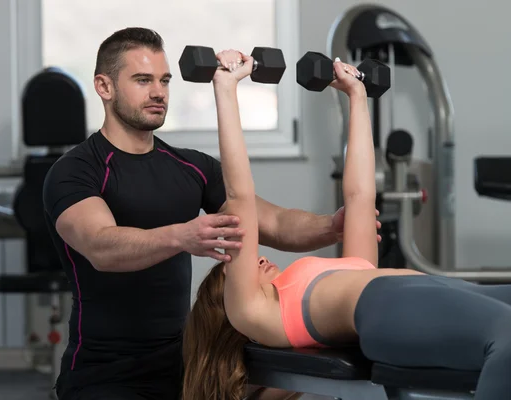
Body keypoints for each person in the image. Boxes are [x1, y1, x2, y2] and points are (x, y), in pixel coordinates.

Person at [42, 27, 379, 400]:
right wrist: (183, 236)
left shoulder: (191, 167)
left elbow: (276, 224)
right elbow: (100, 246)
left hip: (182, 362)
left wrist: (331, 226)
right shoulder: (76, 171)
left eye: (164, 81)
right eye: (142, 80)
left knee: (283, 380)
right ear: (104, 87)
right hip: (103, 374)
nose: (158, 92)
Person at [181, 51, 511, 400]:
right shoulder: (252, 311)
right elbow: (241, 196)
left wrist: (356, 96)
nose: (259, 259)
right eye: (229, 274)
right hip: (389, 307)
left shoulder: (334, 275)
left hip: (432, 290)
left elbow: (359, 196)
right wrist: (225, 87)